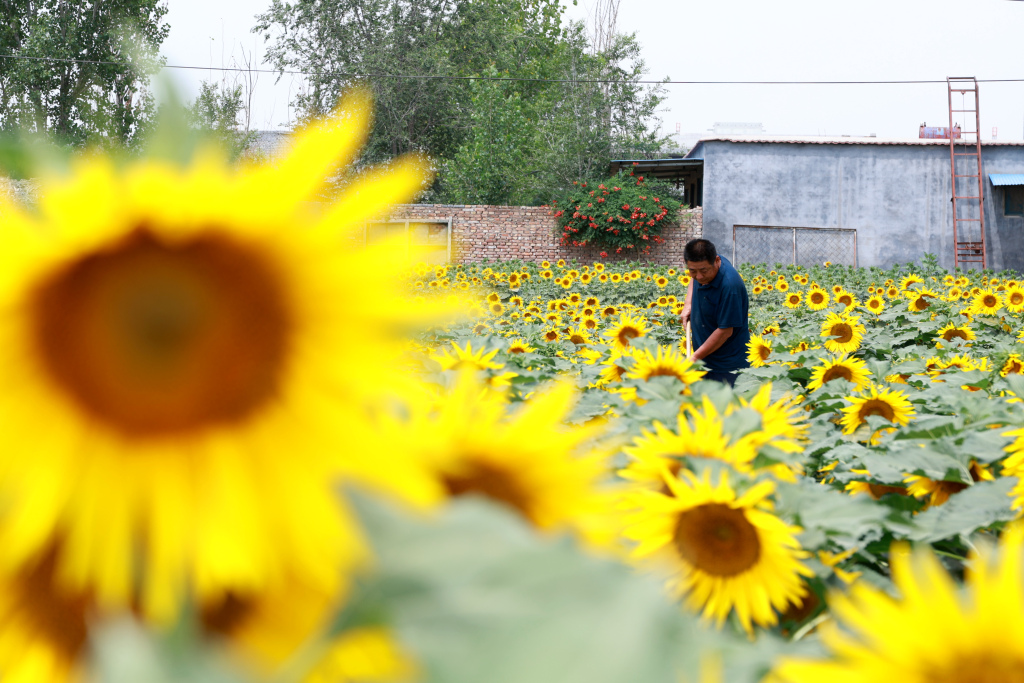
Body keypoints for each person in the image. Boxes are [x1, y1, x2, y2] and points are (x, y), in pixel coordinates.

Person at [679, 239, 750, 386]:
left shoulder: (730, 286)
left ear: (716, 261)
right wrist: (688, 303)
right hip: (704, 357)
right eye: (692, 270)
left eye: (703, 271)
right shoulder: (705, 264)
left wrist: (694, 358)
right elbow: (695, 278)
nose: (698, 276)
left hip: (726, 365)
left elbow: (725, 331)